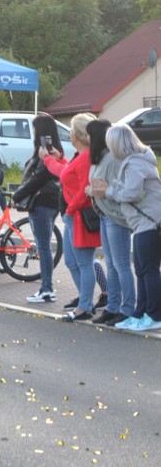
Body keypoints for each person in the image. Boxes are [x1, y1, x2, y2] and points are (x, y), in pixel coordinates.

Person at [90, 124, 161, 331]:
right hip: (143, 224)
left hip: (150, 223)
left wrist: (108, 191)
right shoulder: (133, 162)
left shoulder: (135, 163)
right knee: (141, 269)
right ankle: (141, 312)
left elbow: (131, 193)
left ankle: (155, 315)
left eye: (110, 144)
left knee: (148, 270)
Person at [40, 113, 100, 321]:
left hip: (77, 215)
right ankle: (86, 301)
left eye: (72, 130)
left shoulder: (85, 157)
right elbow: (68, 172)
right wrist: (58, 159)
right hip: (73, 215)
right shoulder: (80, 155)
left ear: (78, 135)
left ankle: (85, 305)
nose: (70, 134)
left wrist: (71, 209)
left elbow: (84, 188)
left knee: (83, 262)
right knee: (73, 262)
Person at [85, 120, 134, 326]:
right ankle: (113, 307)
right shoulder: (99, 159)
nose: (87, 139)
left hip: (115, 217)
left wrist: (96, 191)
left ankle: (128, 308)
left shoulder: (112, 159)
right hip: (105, 215)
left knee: (121, 264)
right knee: (112, 264)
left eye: (89, 135)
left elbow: (117, 188)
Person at [12, 114, 64, 304]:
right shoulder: (56, 150)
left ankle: (47, 289)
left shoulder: (45, 154)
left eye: (34, 129)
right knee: (44, 246)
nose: (33, 132)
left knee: (43, 247)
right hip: (52, 201)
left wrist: (17, 196)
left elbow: (38, 178)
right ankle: (46, 288)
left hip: (42, 201)